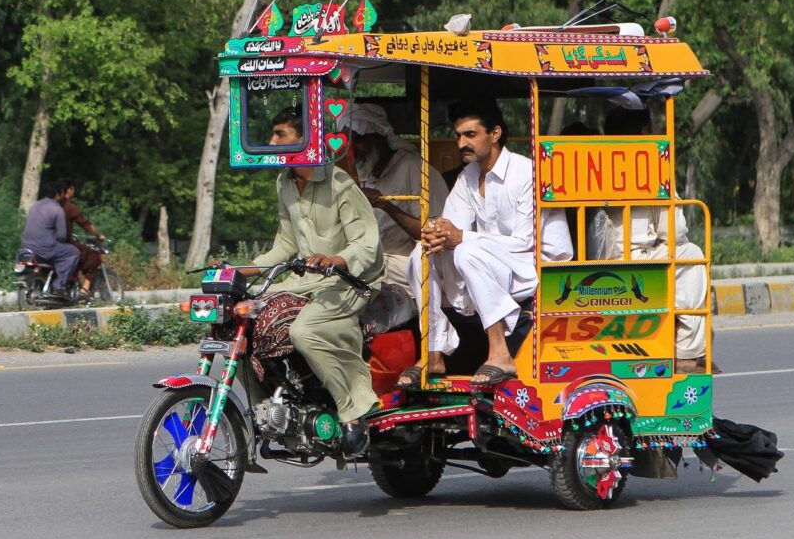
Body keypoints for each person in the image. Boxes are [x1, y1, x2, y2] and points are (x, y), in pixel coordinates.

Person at [240, 106, 385, 455]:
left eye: (280, 135)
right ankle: (266, 409)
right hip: (307, 282)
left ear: (304, 140)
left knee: (305, 331)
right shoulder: (284, 181)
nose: (271, 142)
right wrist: (240, 270)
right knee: (240, 320)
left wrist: (337, 260)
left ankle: (354, 410)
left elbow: (367, 244)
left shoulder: (339, 183)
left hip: (353, 280)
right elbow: (286, 247)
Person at [399, 99, 573, 388]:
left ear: (494, 134)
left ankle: (500, 353)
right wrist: (436, 232)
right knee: (422, 252)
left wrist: (460, 237)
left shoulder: (525, 173)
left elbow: (522, 242)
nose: (461, 143)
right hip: (495, 258)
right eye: (458, 136)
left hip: (536, 262)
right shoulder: (468, 176)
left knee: (467, 250)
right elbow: (451, 225)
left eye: (470, 134)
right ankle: (434, 352)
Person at [600, 107, 712, 373]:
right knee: (692, 254)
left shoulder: (586, 164)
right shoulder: (650, 166)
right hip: (635, 263)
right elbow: (674, 232)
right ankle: (686, 352)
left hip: (587, 259)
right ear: (644, 132)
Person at [336, 103, 449, 294]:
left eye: (359, 140)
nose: (354, 149)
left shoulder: (415, 170)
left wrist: (387, 206)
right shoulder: (367, 174)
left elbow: (434, 235)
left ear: (379, 136)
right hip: (378, 263)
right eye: (349, 143)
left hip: (415, 267)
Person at [21, 182, 80, 295]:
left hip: (26, 247)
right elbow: (62, 237)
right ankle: (59, 286)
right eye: (62, 194)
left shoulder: (35, 206)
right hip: (44, 250)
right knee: (73, 252)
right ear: (58, 194)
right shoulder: (57, 210)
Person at [55, 179, 106, 298]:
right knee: (93, 254)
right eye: (73, 189)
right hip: (65, 244)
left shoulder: (52, 206)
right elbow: (86, 225)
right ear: (68, 190)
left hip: (50, 243)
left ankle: (72, 280)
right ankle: (85, 288)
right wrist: (99, 235)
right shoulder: (70, 207)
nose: (74, 191)